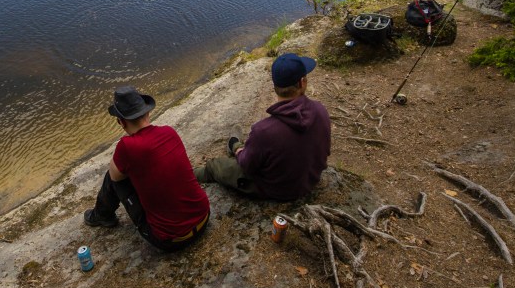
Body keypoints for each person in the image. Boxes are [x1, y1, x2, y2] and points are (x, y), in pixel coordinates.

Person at [83, 86, 210, 252]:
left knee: (113, 175)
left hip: (170, 240)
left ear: (121, 122)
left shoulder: (127, 146)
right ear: (147, 112)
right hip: (203, 218)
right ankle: (102, 215)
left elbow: (115, 177)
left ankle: (101, 216)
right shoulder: (169, 132)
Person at [194, 53, 331, 201]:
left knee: (215, 165)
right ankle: (235, 146)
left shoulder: (264, 131)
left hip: (277, 191)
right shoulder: (320, 110)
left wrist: (240, 153)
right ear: (302, 82)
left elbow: (247, 166)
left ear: (275, 86)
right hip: (310, 181)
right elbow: (325, 151)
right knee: (258, 149)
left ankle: (190, 174)